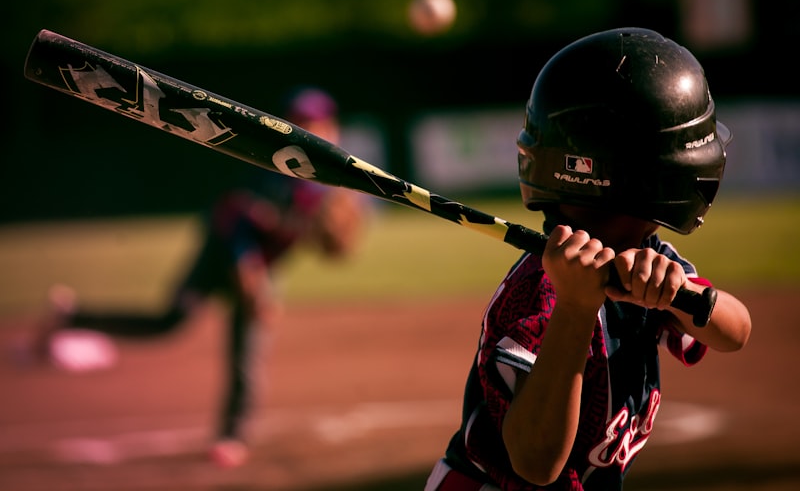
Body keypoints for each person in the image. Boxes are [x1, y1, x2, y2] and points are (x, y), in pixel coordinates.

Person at [424, 28, 752, 491]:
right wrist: (576, 309)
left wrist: (677, 294)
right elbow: (536, 464)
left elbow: (735, 332)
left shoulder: (650, 258)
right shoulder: (536, 295)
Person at [34, 86, 369, 468]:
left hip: (262, 265)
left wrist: (329, 236)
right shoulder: (271, 166)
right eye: (304, 121)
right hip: (221, 253)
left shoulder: (329, 181)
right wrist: (248, 269)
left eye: (321, 121)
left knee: (247, 348)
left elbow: (324, 239)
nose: (314, 128)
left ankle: (232, 435)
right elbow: (235, 214)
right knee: (169, 320)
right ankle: (75, 317)